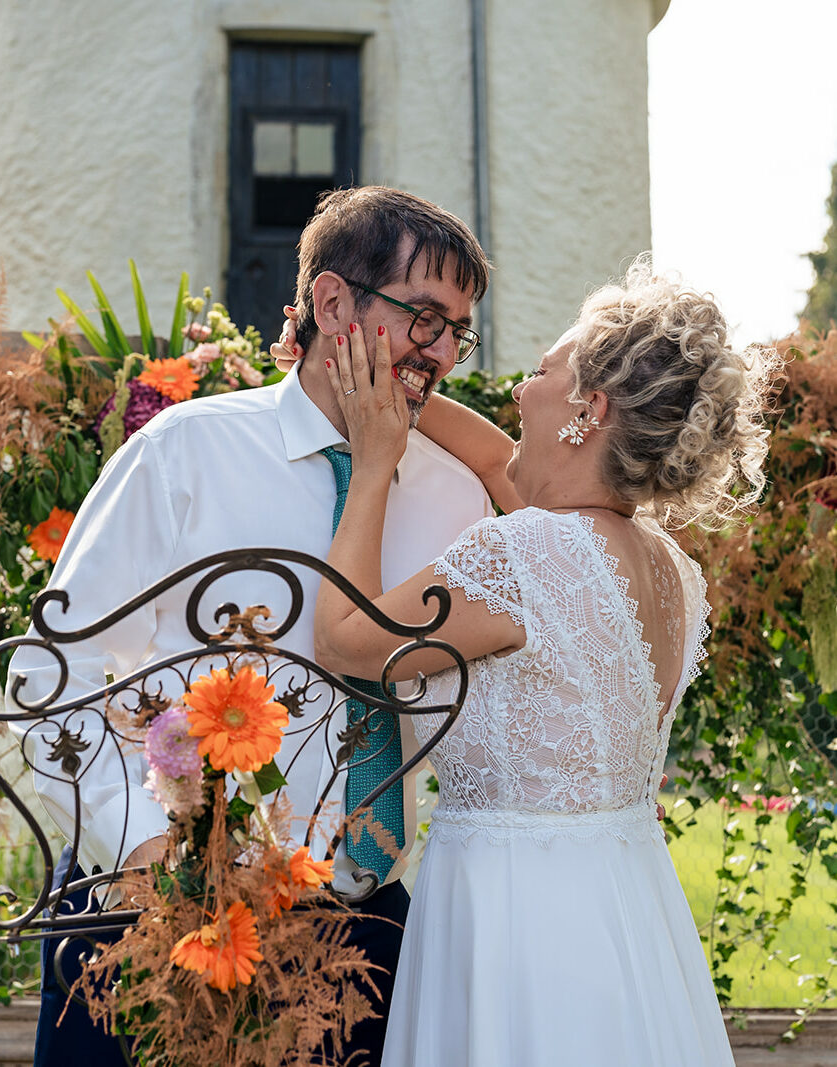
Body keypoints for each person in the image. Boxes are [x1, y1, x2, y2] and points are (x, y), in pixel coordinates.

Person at [7, 185, 519, 1066]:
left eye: (457, 332)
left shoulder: (456, 497)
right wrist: (154, 850)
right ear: (331, 303)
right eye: (423, 319)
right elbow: (47, 677)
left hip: (361, 932)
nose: (439, 354)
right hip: (153, 917)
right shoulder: (181, 454)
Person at [309, 257, 775, 1066]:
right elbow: (500, 463)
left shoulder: (524, 553)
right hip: (624, 909)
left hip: (513, 917)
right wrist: (394, 392)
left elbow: (342, 639)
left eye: (538, 371)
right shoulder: (664, 568)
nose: (519, 390)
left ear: (587, 408)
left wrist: (375, 462)